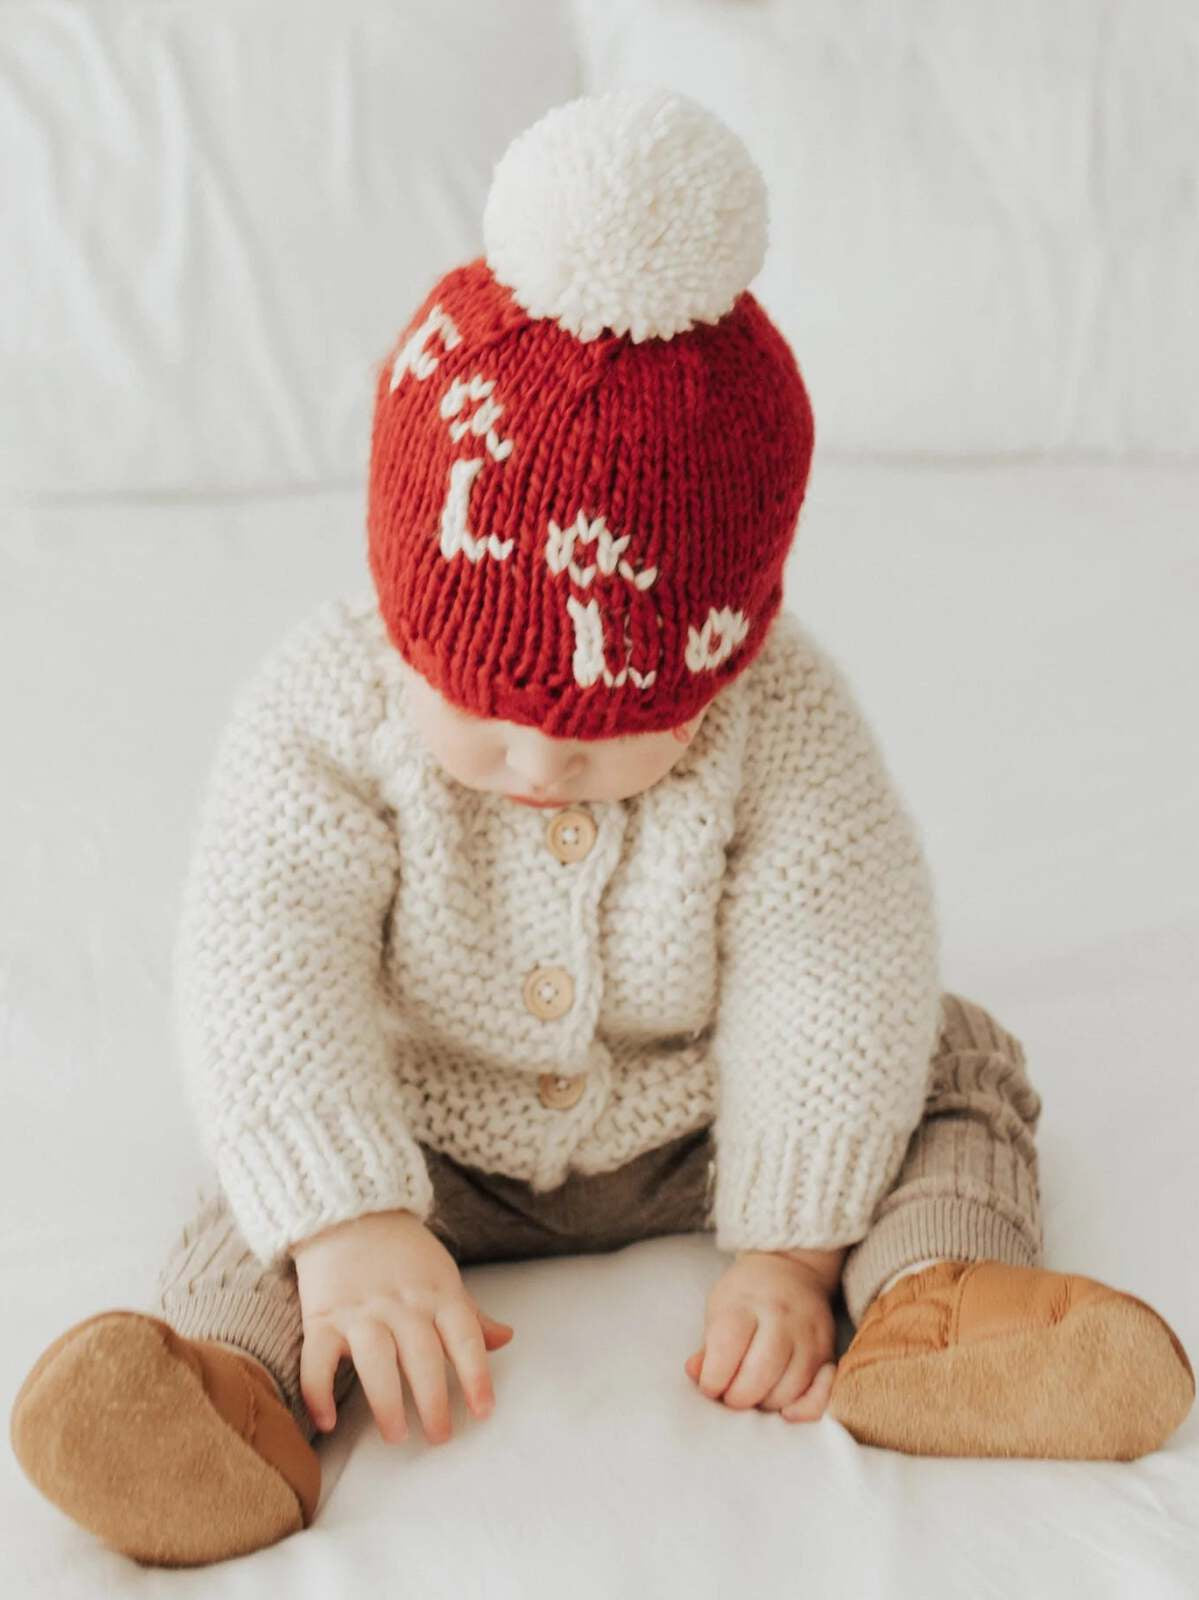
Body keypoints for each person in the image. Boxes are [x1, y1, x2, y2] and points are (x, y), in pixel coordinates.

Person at [10, 88, 1193, 1569]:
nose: (536, 763)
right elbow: (263, 952)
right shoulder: (324, 710)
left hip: (703, 1111)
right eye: (479, 705)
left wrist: (793, 1249)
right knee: (275, 1152)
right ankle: (227, 1401)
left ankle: (933, 1304)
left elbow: (832, 957)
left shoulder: (783, 724)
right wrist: (351, 1225)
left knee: (941, 1059)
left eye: (599, 730)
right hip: (430, 1129)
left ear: (724, 652)